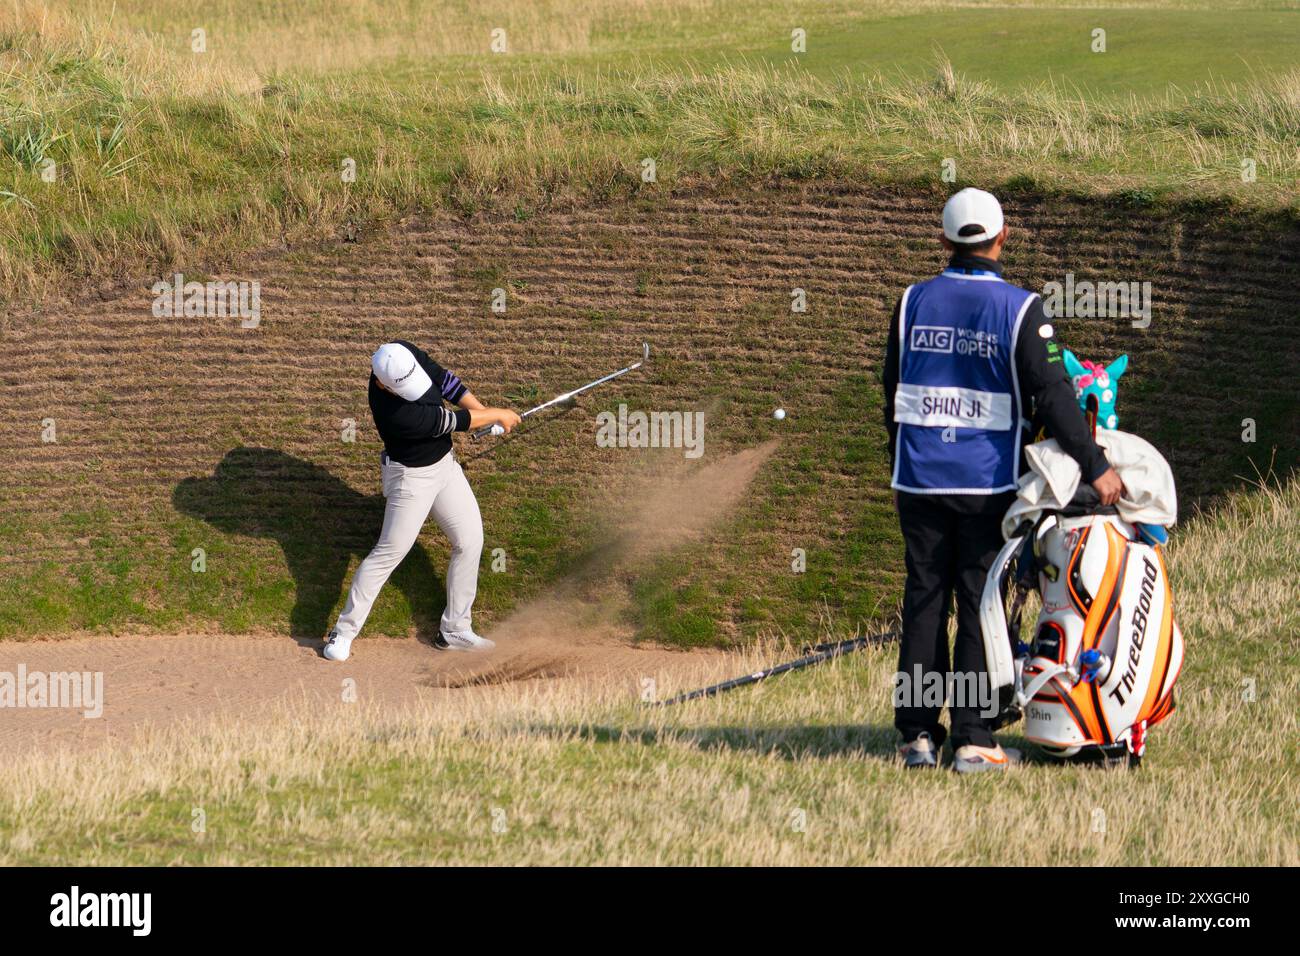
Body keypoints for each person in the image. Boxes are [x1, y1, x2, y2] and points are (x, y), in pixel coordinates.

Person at [882, 188, 1125, 772]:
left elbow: (891, 389)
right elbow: (1054, 394)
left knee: (923, 599)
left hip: (916, 478)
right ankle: (971, 738)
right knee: (977, 599)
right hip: (985, 482)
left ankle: (917, 737)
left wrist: (906, 453)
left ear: (943, 241)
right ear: (1002, 236)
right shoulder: (1021, 310)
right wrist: (1096, 465)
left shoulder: (911, 301)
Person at [322, 341, 521, 661]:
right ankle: (343, 632)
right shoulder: (397, 414)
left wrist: (485, 412)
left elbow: (446, 381)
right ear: (382, 384)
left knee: (470, 541)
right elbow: (454, 422)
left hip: (445, 468)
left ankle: (455, 629)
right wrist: (497, 415)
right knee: (389, 552)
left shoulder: (401, 354)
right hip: (410, 479)